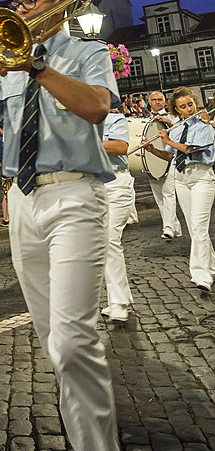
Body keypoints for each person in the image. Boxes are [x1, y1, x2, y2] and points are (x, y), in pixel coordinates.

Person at [0, 0, 123, 451]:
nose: (20, 7)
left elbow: (96, 108)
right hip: (23, 199)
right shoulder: (6, 69)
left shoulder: (87, 53)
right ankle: (90, 445)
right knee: (54, 339)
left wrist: (36, 67)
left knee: (74, 342)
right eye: (16, 0)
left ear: (60, 5)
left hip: (74, 195)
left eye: (31, 0)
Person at [154, 88, 215, 291]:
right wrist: (153, 149)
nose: (189, 109)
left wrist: (168, 141)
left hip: (201, 179)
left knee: (199, 227)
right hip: (181, 180)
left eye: (191, 104)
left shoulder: (205, 127)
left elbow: (193, 150)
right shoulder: (178, 129)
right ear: (177, 111)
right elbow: (170, 156)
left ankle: (201, 274)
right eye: (183, 107)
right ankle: (212, 265)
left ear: (195, 103)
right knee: (195, 228)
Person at [100, 108, 134, 323]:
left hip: (116, 183)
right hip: (91, 186)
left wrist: (81, 141)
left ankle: (119, 302)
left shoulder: (114, 118)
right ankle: (121, 296)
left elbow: (120, 147)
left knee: (110, 240)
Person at [140, 91, 182, 239]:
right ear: (149, 102)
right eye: (154, 100)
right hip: (153, 161)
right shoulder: (145, 120)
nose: (157, 102)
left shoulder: (173, 117)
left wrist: (169, 122)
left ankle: (168, 227)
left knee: (168, 194)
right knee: (159, 197)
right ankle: (175, 227)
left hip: (170, 159)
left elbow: (181, 130)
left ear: (164, 102)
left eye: (160, 100)